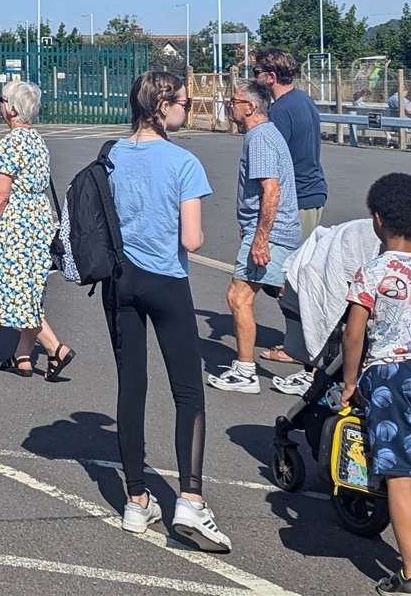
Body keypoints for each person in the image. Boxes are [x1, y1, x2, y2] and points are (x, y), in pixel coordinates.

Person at [103, 71, 231, 552]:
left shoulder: (111, 155)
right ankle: (191, 500)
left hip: (121, 281)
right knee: (187, 392)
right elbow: (192, 239)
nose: (188, 108)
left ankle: (136, 501)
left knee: (131, 388)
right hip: (166, 281)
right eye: (184, 102)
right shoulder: (183, 162)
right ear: (161, 106)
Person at [341, 174, 411, 596]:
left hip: (388, 373)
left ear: (378, 220)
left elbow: (354, 333)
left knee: (399, 475)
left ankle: (410, 574)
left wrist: (351, 380)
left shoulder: (372, 271)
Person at [0, 80, 76, 381]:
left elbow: (0, 195)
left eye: (1, 100)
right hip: (39, 218)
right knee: (30, 287)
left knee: (15, 290)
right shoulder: (36, 140)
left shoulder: (11, 142)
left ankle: (55, 348)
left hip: (17, 222)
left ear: (12, 108)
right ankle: (23, 357)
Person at [208, 79, 302, 394]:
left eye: (234, 101)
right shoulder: (266, 134)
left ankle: (246, 370)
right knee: (291, 295)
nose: (230, 105)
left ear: (249, 106)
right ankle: (315, 368)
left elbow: (270, 190)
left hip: (271, 233)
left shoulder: (259, 138)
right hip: (274, 230)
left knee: (239, 296)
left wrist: (260, 238)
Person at [255, 49, 326, 366]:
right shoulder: (304, 100)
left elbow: (274, 163)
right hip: (312, 193)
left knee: (288, 276)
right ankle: (306, 341)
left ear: (270, 76)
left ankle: (301, 346)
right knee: (297, 273)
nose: (255, 76)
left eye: (258, 71)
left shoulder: (281, 111)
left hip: (295, 198)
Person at [389, 80, 411, 151]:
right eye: (406, 92)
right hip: (407, 123)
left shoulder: (391, 98)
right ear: (404, 90)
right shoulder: (401, 99)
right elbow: (410, 112)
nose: (406, 94)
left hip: (394, 122)